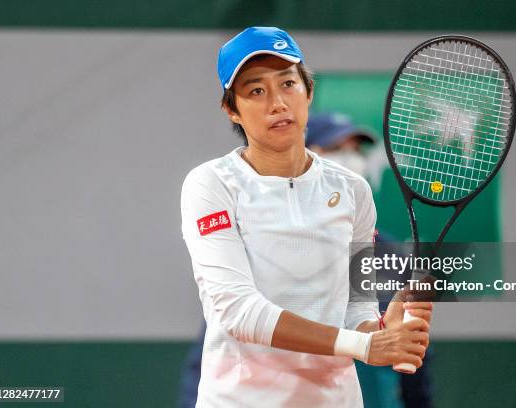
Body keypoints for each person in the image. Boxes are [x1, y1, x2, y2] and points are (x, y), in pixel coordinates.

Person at [180, 26, 433, 407]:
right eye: (256, 91)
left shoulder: (353, 191)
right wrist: (366, 344)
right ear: (232, 108)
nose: (277, 103)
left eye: (288, 84)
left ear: (308, 92)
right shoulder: (210, 185)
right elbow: (239, 312)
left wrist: (381, 329)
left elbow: (356, 307)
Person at [306, 112, 436, 408]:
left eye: (356, 150)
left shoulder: (392, 253)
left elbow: (414, 356)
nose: (351, 159)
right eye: (336, 148)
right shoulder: (279, 247)